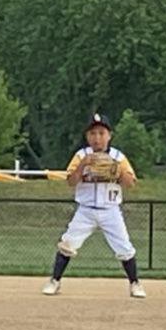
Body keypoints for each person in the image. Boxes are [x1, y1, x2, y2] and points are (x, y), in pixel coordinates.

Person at [41, 112, 145, 299]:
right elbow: (71, 182)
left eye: (101, 133)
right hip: (86, 211)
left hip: (111, 211)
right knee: (67, 244)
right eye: (93, 133)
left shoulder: (118, 156)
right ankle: (55, 281)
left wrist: (118, 170)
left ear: (109, 135)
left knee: (124, 247)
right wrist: (82, 165)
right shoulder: (81, 155)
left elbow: (130, 183)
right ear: (87, 136)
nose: (97, 138)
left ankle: (135, 283)